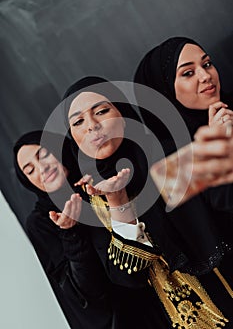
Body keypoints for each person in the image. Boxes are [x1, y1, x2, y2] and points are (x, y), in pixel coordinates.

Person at [62, 76, 233, 328]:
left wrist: (219, 151)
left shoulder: (169, 154)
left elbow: (225, 208)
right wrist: (117, 200)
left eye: (101, 111)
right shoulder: (93, 200)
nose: (92, 126)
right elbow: (128, 279)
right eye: (78, 122)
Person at [134, 36, 233, 302]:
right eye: (188, 73)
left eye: (208, 64)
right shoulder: (167, 163)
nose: (206, 75)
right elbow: (223, 208)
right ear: (164, 90)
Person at [13, 130, 113, 329]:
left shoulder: (102, 173)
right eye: (30, 170)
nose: (42, 168)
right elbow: (86, 294)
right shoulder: (41, 222)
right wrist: (70, 233)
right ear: (28, 182)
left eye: (43, 155)